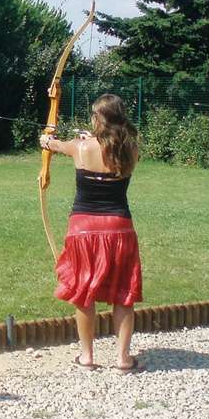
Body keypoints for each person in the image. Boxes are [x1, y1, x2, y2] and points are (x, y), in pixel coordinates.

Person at [40, 94, 143, 372]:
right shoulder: (130, 149)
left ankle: (87, 356)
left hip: (83, 228)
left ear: (99, 119)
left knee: (84, 291)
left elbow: (54, 144)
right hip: (119, 226)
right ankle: (123, 359)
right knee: (123, 293)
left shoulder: (80, 147)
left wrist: (47, 141)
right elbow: (111, 146)